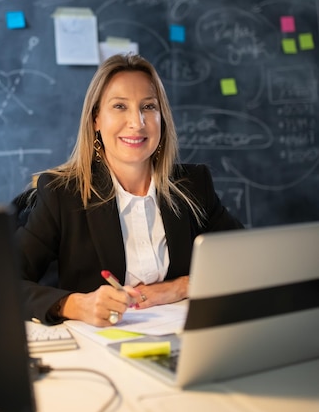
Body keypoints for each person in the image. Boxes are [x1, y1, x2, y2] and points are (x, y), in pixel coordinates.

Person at [16, 53, 243, 327]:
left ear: (162, 118)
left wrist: (180, 287)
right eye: (120, 106)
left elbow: (247, 261)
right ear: (96, 119)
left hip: (185, 341)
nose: (137, 122)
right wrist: (76, 304)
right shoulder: (62, 194)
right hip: (98, 351)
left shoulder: (193, 185)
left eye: (148, 107)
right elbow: (2, 282)